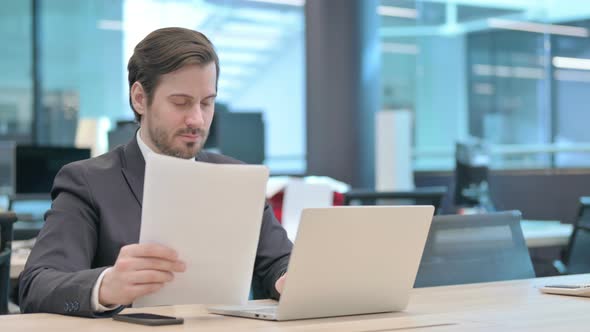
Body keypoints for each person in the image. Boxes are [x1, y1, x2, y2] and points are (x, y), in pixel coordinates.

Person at [18, 27, 292, 317]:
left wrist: (289, 280)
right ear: (139, 98)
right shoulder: (88, 181)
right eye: (180, 102)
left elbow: (279, 263)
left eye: (207, 103)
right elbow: (36, 287)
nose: (197, 119)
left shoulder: (238, 178)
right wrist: (105, 286)